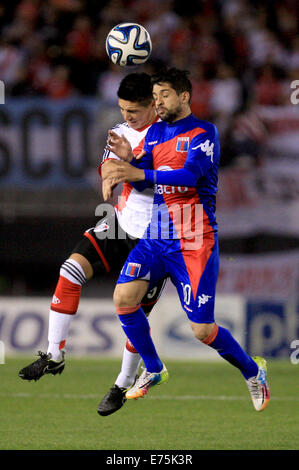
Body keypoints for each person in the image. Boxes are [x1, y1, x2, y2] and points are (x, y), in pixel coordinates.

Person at [105, 68, 270, 412]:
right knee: (124, 298)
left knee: (201, 329)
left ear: (184, 96)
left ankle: (254, 372)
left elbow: (190, 177)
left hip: (194, 239)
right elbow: (143, 182)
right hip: (157, 237)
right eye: (155, 96)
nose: (158, 102)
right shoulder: (155, 134)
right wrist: (129, 161)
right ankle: (153, 369)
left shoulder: (203, 132)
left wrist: (138, 170)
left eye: (164, 95)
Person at [18, 72, 167, 417]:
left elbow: (163, 181)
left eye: (133, 111)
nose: (127, 117)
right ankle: (54, 355)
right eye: (122, 109)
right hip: (119, 222)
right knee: (70, 270)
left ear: (152, 106)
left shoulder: (169, 136)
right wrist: (108, 176)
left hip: (157, 236)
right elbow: (107, 163)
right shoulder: (119, 131)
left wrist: (129, 168)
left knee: (135, 316)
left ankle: (123, 381)